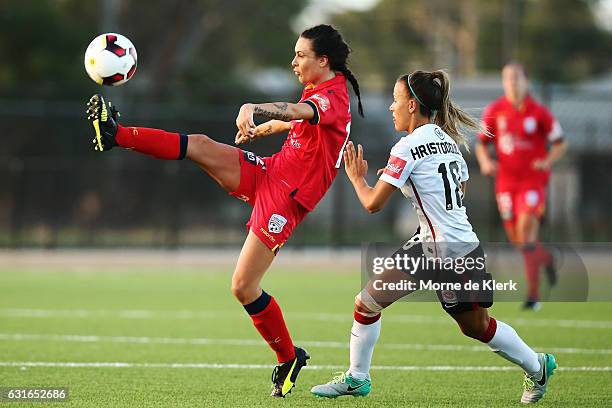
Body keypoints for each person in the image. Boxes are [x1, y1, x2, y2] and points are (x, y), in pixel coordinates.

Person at [84, 24, 364, 397]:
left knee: (243, 286)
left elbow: (305, 111)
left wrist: (255, 109)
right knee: (200, 144)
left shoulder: (334, 96)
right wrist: (269, 129)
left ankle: (288, 356)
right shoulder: (318, 87)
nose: (294, 61)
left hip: (287, 198)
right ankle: (115, 134)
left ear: (323, 60)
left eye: (301, 54)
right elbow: (304, 120)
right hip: (272, 171)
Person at [310, 70, 557, 404]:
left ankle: (537, 365)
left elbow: (371, 204)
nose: (391, 108)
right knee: (366, 303)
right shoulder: (448, 141)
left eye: (395, 101)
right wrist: (409, 183)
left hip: (454, 255)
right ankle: (357, 378)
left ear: (412, 105)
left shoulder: (407, 146)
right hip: (433, 247)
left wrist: (357, 177)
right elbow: (457, 189)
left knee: (477, 327)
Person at [475, 63, 568, 310]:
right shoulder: (495, 110)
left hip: (533, 181)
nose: (512, 82)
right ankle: (547, 259)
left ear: (527, 81)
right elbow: (482, 143)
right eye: (507, 78)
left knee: (526, 231)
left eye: (516, 78)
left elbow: (559, 143)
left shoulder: (539, 113)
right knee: (519, 242)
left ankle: (534, 296)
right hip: (506, 183)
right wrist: (485, 161)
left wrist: (547, 160)